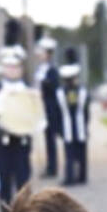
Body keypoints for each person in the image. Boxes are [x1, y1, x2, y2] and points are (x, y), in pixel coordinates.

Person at [0, 19, 36, 212]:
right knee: (3, 187)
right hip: (2, 145)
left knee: (22, 187)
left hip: (21, 144)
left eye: (15, 66)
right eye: (8, 66)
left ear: (21, 68)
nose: (12, 70)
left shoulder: (28, 92)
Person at [56, 47, 90, 186]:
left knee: (69, 155)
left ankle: (70, 177)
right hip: (80, 126)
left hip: (67, 127)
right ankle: (82, 176)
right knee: (81, 153)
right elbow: (87, 111)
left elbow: (57, 112)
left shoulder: (60, 92)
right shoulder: (82, 91)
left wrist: (59, 129)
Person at [34, 25, 63, 179]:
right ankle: (49, 165)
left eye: (43, 52)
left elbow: (54, 87)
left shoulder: (51, 70)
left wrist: (45, 83)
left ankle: (53, 166)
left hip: (51, 108)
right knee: (47, 138)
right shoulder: (40, 69)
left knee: (51, 138)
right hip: (42, 108)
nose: (40, 55)